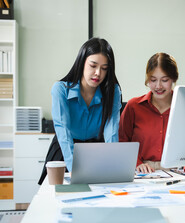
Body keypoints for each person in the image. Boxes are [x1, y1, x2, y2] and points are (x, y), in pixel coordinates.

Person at [38, 38, 122, 184]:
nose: (98, 73)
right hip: (65, 151)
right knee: (57, 196)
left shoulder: (113, 91)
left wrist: (113, 163)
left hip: (95, 150)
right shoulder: (61, 89)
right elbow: (63, 131)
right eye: (93, 65)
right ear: (82, 62)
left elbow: (112, 130)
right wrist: (74, 170)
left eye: (104, 68)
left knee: (102, 194)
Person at [119, 52, 185, 177]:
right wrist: (136, 163)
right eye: (153, 80)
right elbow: (122, 141)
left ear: (174, 79)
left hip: (177, 173)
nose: (158, 86)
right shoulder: (133, 107)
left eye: (164, 80)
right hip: (141, 173)